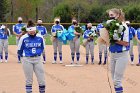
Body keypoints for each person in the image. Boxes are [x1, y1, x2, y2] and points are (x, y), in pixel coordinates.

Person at [18, 20, 46, 93]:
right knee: (29, 80)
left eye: (33, 30)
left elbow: (43, 47)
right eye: (30, 31)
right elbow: (19, 50)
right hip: (27, 60)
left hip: (38, 59)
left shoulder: (40, 37)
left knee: (42, 80)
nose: (32, 32)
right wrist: (23, 58)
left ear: (35, 29)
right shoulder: (23, 38)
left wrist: (38, 54)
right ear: (27, 31)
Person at [106, 8, 129, 93]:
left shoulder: (124, 26)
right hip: (112, 54)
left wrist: (114, 40)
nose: (110, 17)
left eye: (112, 15)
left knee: (117, 80)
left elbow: (126, 43)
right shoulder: (110, 26)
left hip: (122, 55)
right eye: (109, 15)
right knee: (113, 79)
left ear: (118, 15)